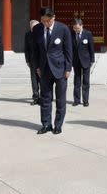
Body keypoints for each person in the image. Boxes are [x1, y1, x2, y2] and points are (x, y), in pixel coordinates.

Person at [33, 7, 72, 135]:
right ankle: (46, 124)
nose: (46, 23)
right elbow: (36, 51)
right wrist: (37, 67)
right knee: (45, 98)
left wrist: (68, 68)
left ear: (53, 17)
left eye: (48, 21)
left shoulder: (63, 28)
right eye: (43, 21)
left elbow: (68, 50)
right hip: (44, 69)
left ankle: (58, 125)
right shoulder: (37, 29)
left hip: (60, 69)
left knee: (60, 99)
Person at [71, 18, 95, 107]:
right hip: (76, 61)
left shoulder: (87, 34)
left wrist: (92, 59)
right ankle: (76, 100)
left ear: (81, 26)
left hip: (86, 61)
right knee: (76, 82)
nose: (76, 30)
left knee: (85, 82)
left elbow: (91, 48)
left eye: (77, 28)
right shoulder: (71, 34)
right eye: (74, 28)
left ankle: (85, 100)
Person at [24, 20, 41, 105]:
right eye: (33, 27)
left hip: (42, 60)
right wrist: (27, 60)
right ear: (30, 27)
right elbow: (26, 48)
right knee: (34, 79)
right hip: (33, 61)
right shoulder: (28, 34)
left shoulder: (42, 33)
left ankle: (43, 97)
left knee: (42, 79)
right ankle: (36, 97)